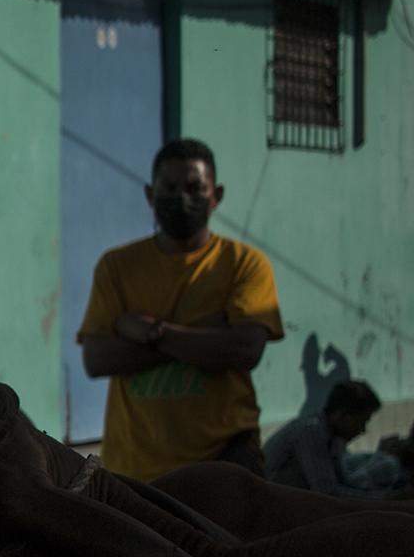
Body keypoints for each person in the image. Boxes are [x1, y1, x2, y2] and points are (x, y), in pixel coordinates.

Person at [77, 138, 285, 482]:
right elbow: (98, 359)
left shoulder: (244, 264)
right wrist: (207, 334)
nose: (182, 199)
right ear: (149, 194)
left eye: (194, 188)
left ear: (216, 196)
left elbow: (246, 349)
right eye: (169, 188)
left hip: (224, 460)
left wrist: (151, 331)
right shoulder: (117, 267)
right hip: (135, 467)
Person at [264, 380, 411, 497]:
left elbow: (345, 484)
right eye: (361, 421)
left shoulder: (332, 439)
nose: (362, 430)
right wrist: (384, 499)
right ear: (342, 415)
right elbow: (328, 493)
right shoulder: (311, 432)